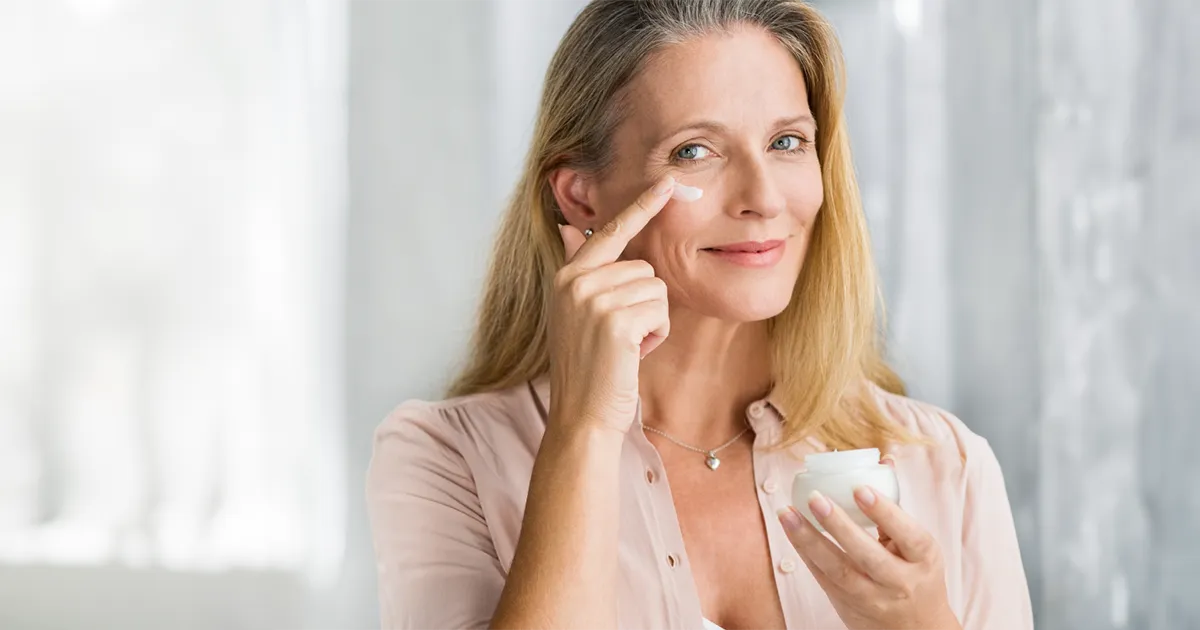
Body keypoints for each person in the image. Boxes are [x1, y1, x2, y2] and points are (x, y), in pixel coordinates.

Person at [366, 1, 1034, 628]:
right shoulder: (448, 459)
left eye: (787, 142)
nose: (763, 197)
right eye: (696, 151)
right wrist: (585, 429)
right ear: (581, 196)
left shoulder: (947, 466)